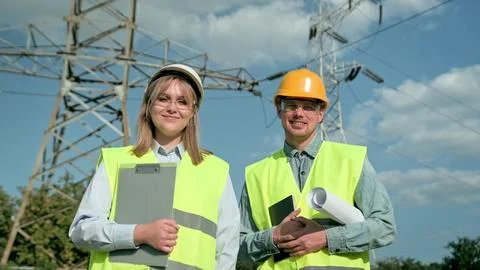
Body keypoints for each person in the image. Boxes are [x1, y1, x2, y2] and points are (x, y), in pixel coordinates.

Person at [69, 64, 240, 270]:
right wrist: (139, 233)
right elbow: (81, 231)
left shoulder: (216, 170)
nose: (172, 108)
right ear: (149, 106)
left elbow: (227, 249)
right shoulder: (115, 161)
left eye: (182, 102)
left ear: (193, 111)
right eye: (163, 98)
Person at [238, 68, 396, 269]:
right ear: (279, 110)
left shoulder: (351, 160)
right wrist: (273, 237)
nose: (299, 113)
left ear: (321, 113)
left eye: (308, 107)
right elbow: (235, 250)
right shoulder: (256, 174)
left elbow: (385, 227)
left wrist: (325, 238)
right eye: (291, 106)